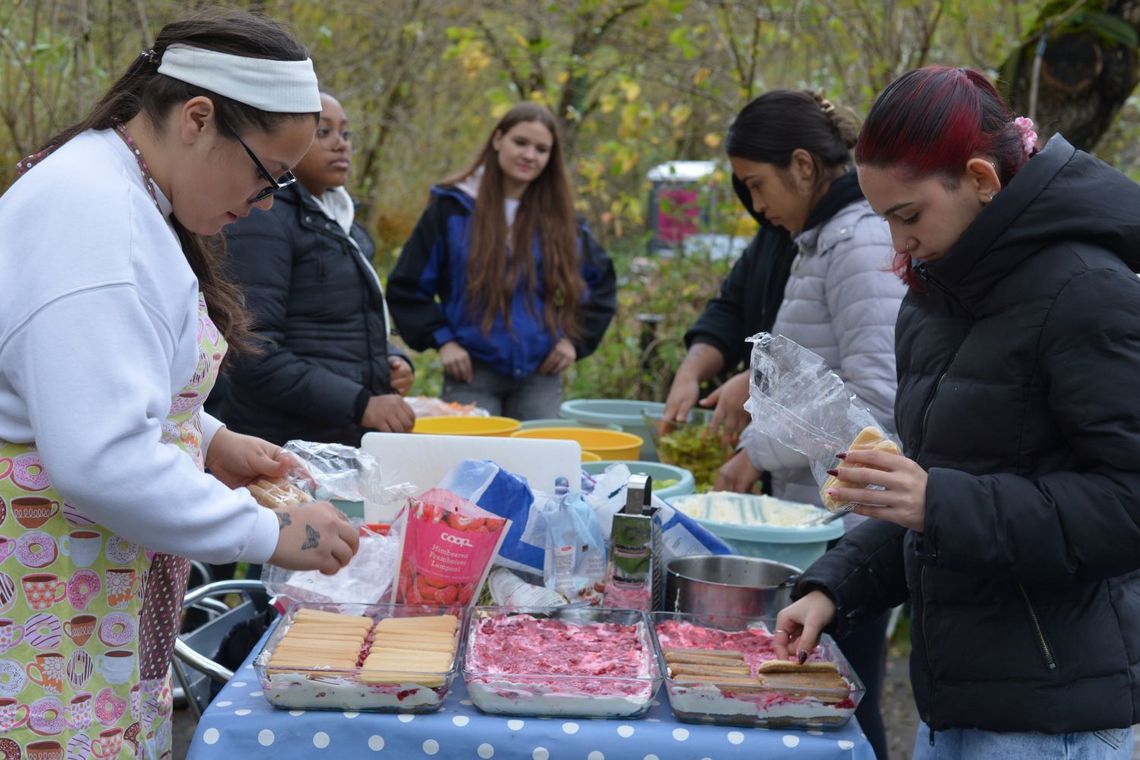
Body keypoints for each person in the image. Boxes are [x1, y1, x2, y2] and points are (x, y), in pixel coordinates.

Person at [0, 12, 358, 757]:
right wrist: (272, 532)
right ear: (197, 118)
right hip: (40, 619)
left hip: (88, 608)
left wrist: (211, 440)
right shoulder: (92, 217)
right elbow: (101, 457)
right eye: (267, 173)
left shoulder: (122, 192)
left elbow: (90, 385)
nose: (268, 200)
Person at [775, 66, 1140, 759]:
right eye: (886, 220)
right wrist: (835, 588)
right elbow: (928, 497)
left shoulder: (1089, 291)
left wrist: (938, 501)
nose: (898, 244)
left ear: (980, 179)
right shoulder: (933, 301)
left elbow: (1128, 506)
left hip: (1056, 721)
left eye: (908, 216)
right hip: (954, 704)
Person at [695, 90, 903, 760]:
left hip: (854, 529)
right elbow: (811, 376)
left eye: (758, 185)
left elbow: (875, 402)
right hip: (820, 516)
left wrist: (756, 451)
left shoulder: (857, 244)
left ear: (804, 166)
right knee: (817, 694)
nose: (756, 205)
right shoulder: (819, 242)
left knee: (843, 705)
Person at [208, 92, 415, 445]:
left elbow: (342, 326)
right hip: (284, 441)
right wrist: (359, 403)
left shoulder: (342, 222)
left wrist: (390, 359)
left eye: (346, 133)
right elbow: (253, 349)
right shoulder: (262, 217)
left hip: (338, 435)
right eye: (323, 132)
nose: (340, 144)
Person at [387, 103, 617, 420]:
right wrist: (443, 341)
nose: (529, 155)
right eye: (520, 142)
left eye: (541, 149)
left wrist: (574, 341)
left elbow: (601, 283)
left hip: (540, 377)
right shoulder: (453, 209)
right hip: (472, 374)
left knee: (538, 452)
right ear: (498, 140)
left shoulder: (559, 219)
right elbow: (408, 286)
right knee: (477, 453)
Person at [661, 198, 797, 440]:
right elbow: (731, 308)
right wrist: (689, 372)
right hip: (768, 445)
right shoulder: (773, 232)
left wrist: (758, 384)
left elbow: (816, 346)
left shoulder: (837, 240)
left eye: (757, 185)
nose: (757, 204)